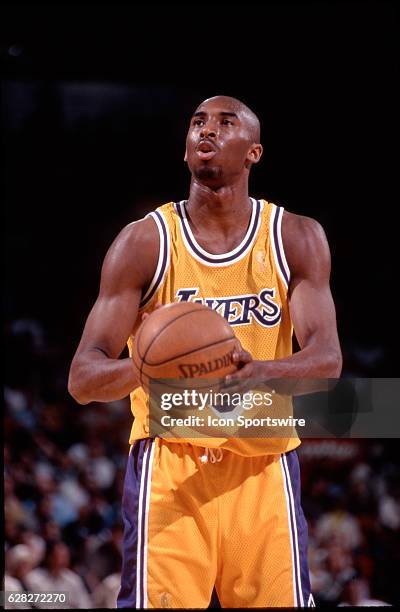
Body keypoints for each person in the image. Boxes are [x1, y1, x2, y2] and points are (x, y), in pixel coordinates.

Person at [68, 95, 342, 608]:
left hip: (263, 463)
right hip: (171, 466)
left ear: (254, 152)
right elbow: (83, 378)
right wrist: (147, 370)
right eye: (197, 123)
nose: (206, 131)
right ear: (186, 147)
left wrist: (257, 371)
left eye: (224, 122)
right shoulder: (145, 241)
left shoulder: (294, 237)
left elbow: (327, 361)